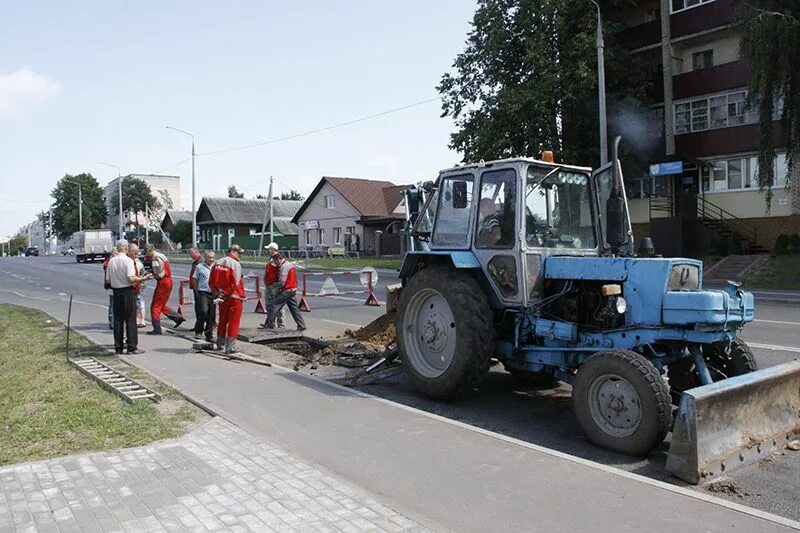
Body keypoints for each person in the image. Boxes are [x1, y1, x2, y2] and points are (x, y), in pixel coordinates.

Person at [107, 240, 151, 354]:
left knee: (118, 320)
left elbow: (108, 280)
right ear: (126, 249)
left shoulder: (111, 261)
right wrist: (143, 278)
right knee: (130, 320)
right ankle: (131, 346)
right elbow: (131, 278)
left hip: (116, 291)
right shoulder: (128, 261)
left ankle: (118, 347)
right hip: (127, 291)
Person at [209, 244, 246, 354]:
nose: (240, 256)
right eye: (239, 253)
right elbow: (235, 283)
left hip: (222, 297)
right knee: (233, 322)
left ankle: (220, 343)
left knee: (222, 320)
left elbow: (211, 282)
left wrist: (218, 294)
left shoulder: (217, 262)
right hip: (234, 297)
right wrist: (225, 293)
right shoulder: (235, 264)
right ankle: (230, 347)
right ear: (233, 251)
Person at [146, 245, 185, 335]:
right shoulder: (162, 256)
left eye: (147, 253)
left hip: (163, 282)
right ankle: (177, 318)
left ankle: (157, 328)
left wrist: (150, 274)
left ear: (150, 250)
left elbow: (159, 275)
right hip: (169, 281)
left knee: (155, 306)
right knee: (161, 304)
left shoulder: (155, 258)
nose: (147, 256)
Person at [265, 252, 306, 331]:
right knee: (294, 309)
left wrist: (277, 289)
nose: (275, 264)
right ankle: (301, 325)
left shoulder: (284, 266)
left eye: (275, 261)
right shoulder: (290, 264)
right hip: (293, 289)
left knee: (274, 305)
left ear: (279, 259)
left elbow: (282, 281)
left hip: (286, 290)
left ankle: (269, 324)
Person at [192, 250, 217, 342]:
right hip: (203, 292)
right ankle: (198, 331)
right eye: (209, 257)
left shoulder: (216, 267)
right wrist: (196, 290)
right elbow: (195, 279)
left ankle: (209, 334)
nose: (211, 259)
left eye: (212, 258)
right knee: (203, 311)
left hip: (213, 293)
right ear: (205, 258)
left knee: (211, 314)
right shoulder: (199, 267)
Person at [259, 242, 285, 329]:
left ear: (273, 249)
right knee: (269, 305)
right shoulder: (271, 259)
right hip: (269, 285)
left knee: (278, 305)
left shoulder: (278, 259)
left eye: (269, 249)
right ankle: (270, 323)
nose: (268, 251)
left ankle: (281, 324)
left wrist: (278, 285)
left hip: (275, 285)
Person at [128, 243, 147, 328]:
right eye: (134, 252)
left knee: (140, 303)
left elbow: (143, 274)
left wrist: (141, 282)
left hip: (139, 286)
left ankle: (142, 320)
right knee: (135, 304)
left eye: (137, 252)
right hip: (133, 286)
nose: (136, 254)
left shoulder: (138, 263)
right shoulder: (129, 261)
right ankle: (136, 319)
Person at [188, 247, 203, 333]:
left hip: (199, 288)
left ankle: (200, 326)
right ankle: (198, 325)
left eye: (191, 253)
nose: (190, 255)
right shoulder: (196, 262)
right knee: (198, 307)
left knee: (200, 308)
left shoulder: (200, 262)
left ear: (196, 252)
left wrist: (197, 287)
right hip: (196, 287)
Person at [103, 250, 119, 330]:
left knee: (115, 304)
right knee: (112, 304)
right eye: (115, 253)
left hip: (116, 286)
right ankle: (112, 322)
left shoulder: (111, 262)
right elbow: (107, 278)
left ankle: (115, 322)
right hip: (112, 286)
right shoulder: (109, 263)